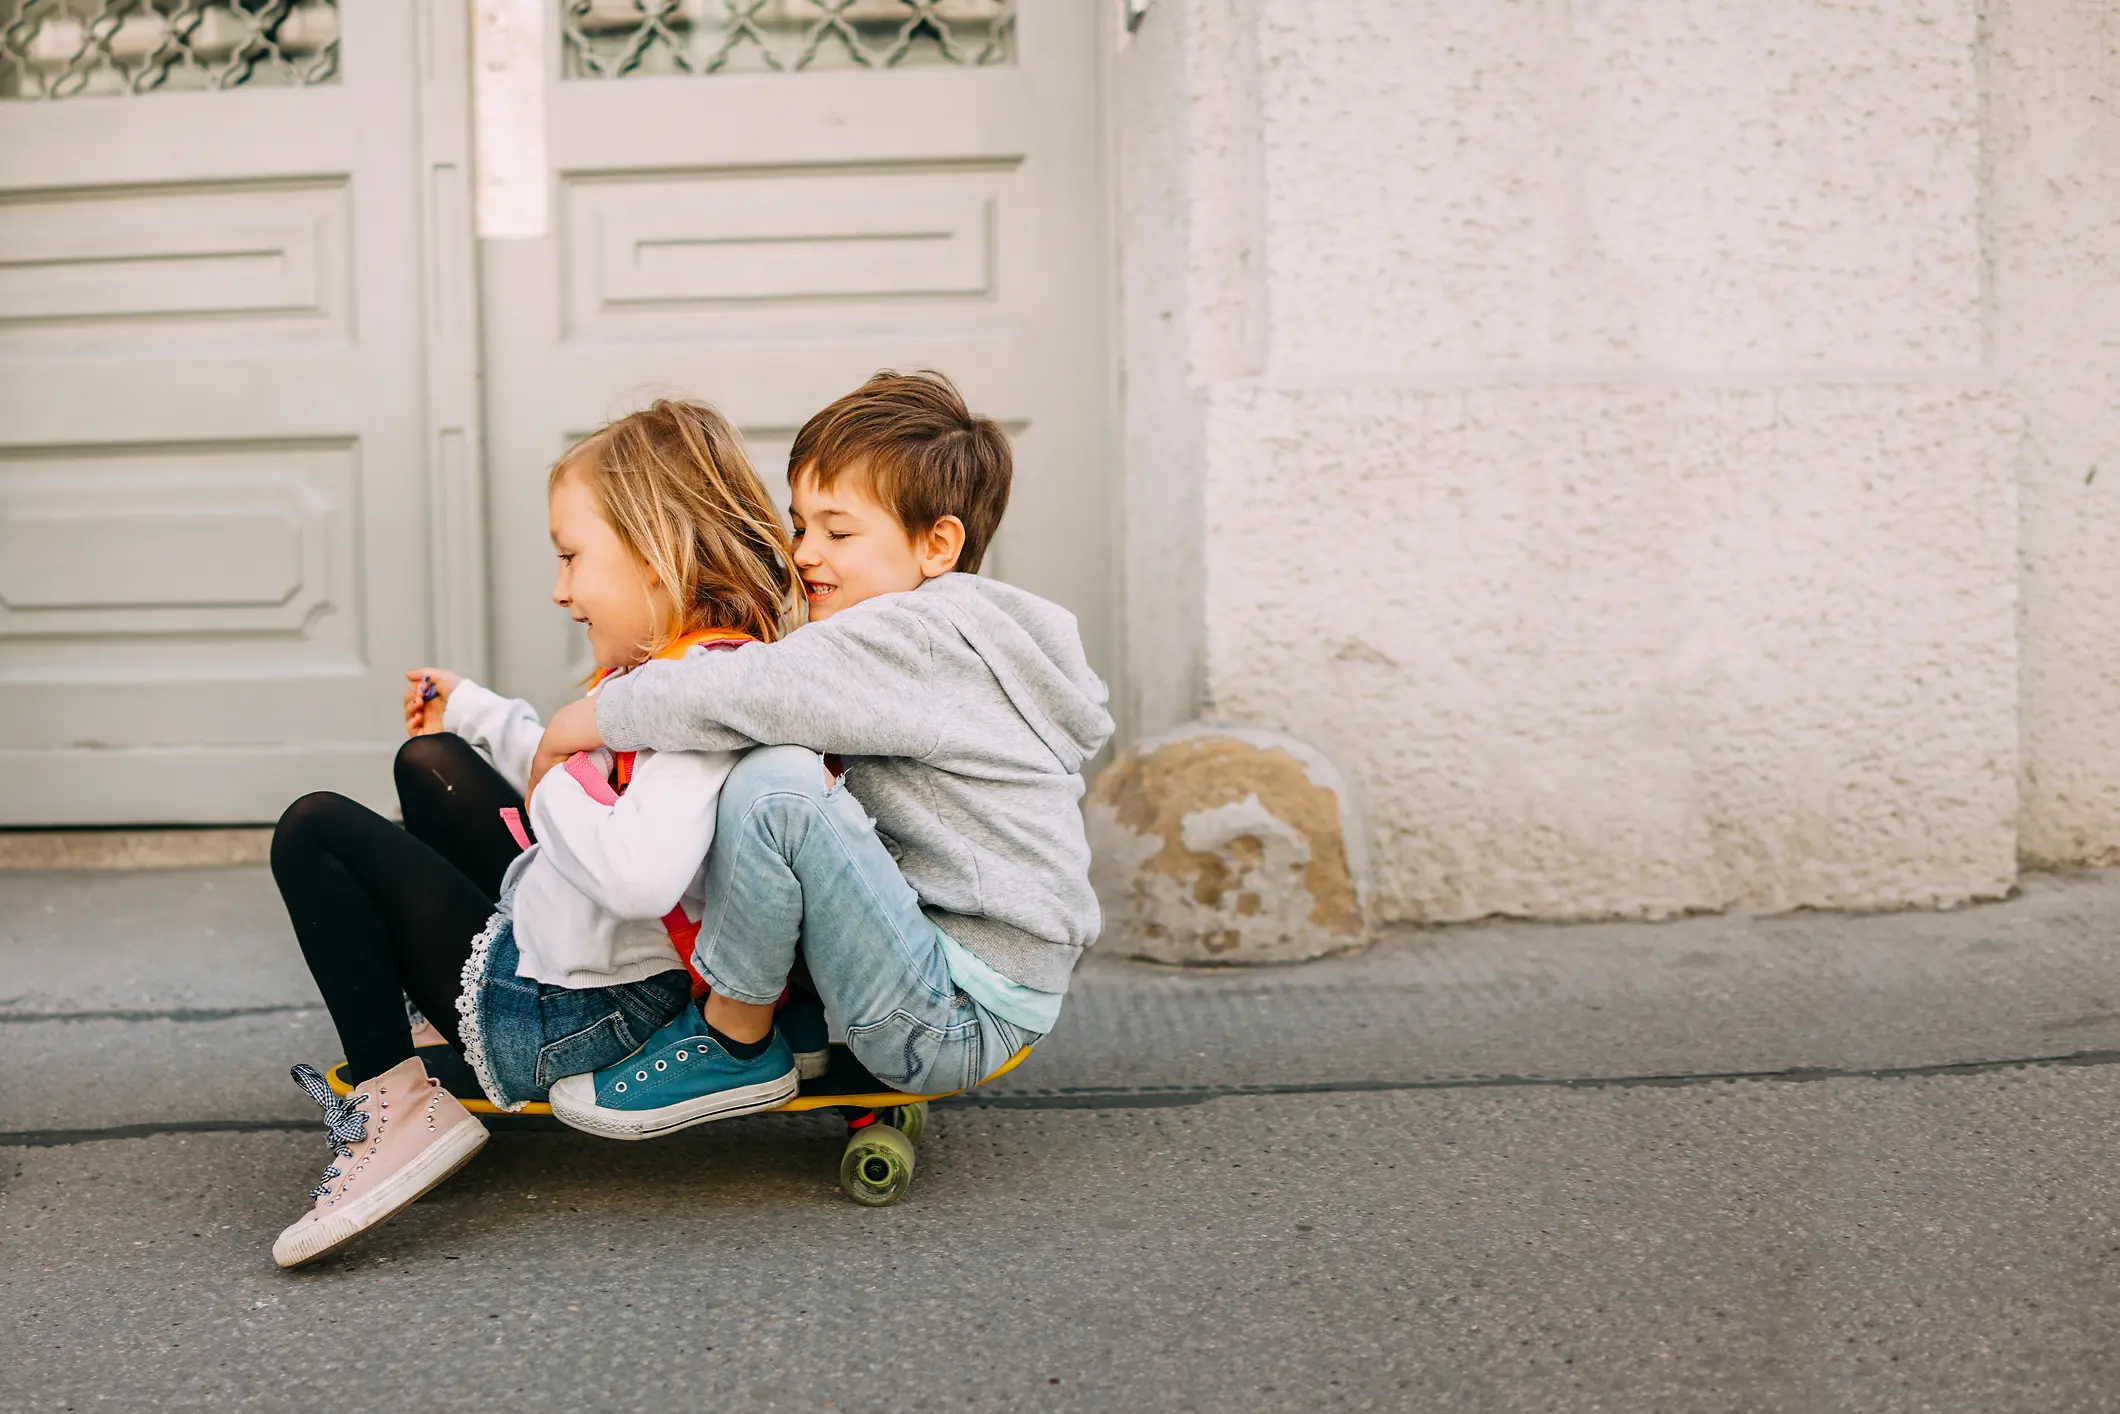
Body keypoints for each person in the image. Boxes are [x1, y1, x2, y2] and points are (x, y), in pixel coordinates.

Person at [267, 399, 800, 1268]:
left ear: (656, 548)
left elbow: (636, 874)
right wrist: (479, 714)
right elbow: (598, 774)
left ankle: (397, 1110)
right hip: (591, 963)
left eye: (571, 556)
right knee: (429, 758)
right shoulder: (689, 667)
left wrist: (555, 769)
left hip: (583, 1012)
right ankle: (431, 1028)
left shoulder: (698, 700)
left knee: (314, 831)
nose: (559, 588)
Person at [532, 370, 1115, 1139]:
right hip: (952, 975)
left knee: (777, 786)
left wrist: (591, 717)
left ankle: (735, 1041)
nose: (805, 553)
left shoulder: (917, 638)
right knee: (787, 778)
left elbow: (744, 691)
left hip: (955, 1015)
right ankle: (797, 1024)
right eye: (800, 525)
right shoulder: (939, 634)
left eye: (838, 533)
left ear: (937, 544)